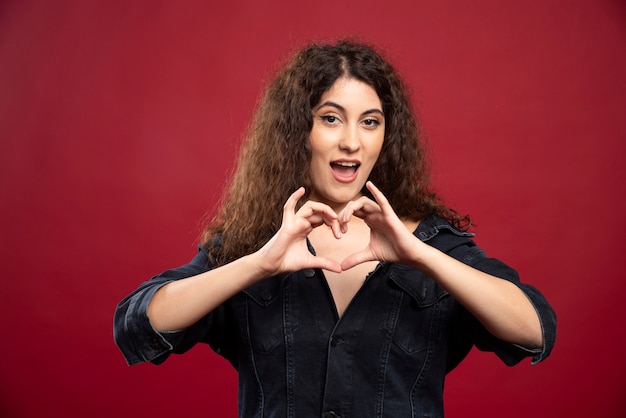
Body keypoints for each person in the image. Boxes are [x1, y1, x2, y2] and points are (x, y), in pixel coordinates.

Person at [114, 39, 556, 417]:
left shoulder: (430, 244)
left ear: (386, 136)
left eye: (370, 121)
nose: (351, 140)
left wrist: (420, 256)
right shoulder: (257, 245)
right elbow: (138, 326)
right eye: (331, 118)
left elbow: (536, 330)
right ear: (298, 132)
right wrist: (258, 264)